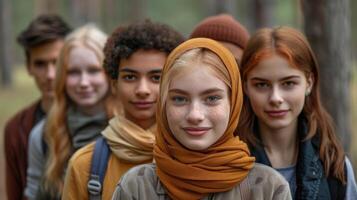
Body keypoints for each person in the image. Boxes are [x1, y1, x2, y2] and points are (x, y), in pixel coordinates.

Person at [112, 38, 292, 200]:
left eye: (212, 98)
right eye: (179, 99)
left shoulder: (268, 189)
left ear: (234, 101)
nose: (195, 115)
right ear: (163, 104)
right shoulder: (136, 187)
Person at [62, 20, 184, 200]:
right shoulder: (85, 165)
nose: (142, 89)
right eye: (130, 77)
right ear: (113, 85)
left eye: (156, 77)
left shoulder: (194, 155)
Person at [237, 26, 357, 199]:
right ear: (246, 85)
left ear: (309, 83)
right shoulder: (228, 166)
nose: (275, 98)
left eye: (288, 83)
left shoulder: (335, 167)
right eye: (262, 85)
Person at [24, 24, 115, 200]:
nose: (83, 82)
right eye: (73, 72)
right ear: (61, 76)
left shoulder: (132, 127)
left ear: (110, 72)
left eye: (93, 70)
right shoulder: (43, 134)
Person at [3, 14, 71, 200]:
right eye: (40, 64)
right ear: (28, 67)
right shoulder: (16, 129)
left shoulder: (95, 116)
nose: (49, 75)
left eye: (56, 62)